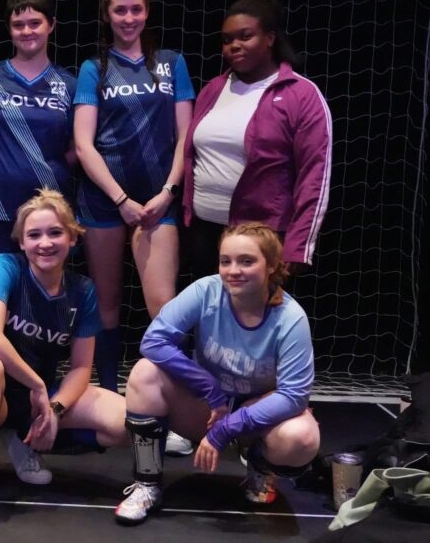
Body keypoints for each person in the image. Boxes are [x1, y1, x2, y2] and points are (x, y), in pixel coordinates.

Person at [0, 189, 127, 529]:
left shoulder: (82, 291)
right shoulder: (5, 267)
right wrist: (38, 385)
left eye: (55, 232)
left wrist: (54, 409)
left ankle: (22, 440)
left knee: (124, 421)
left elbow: (81, 368)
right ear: (22, 242)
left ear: (72, 237)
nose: (45, 243)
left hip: (32, 400)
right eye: (34, 235)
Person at [114, 222, 320, 525]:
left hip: (255, 419)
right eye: (226, 261)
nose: (233, 270)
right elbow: (154, 341)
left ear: (272, 266)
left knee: (301, 437)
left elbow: (294, 396)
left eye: (247, 261)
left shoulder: (290, 318)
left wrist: (228, 428)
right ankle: (147, 484)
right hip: (208, 409)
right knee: (144, 373)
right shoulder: (206, 291)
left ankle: (260, 471)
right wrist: (209, 389)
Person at [73, 0, 195, 401]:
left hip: (158, 202)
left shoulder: (171, 63)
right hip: (104, 202)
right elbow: (83, 145)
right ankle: (109, 395)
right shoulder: (94, 68)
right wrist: (120, 200)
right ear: (107, 16)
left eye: (136, 9)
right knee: (106, 306)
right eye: (120, 10)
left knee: (163, 308)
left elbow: (185, 137)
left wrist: (168, 192)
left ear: (147, 12)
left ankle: (170, 401)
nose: (128, 18)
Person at [183, 0, 332, 278]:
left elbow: (315, 176)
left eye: (245, 36)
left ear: (270, 38)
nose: (234, 45)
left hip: (262, 239)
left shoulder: (301, 94)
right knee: (208, 305)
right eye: (227, 40)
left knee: (257, 308)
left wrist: (299, 246)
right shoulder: (213, 89)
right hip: (205, 234)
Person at [0, 0, 76, 264]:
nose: (27, 31)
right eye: (18, 25)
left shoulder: (69, 85)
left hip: (50, 211)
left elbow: (77, 148)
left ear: (51, 25)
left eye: (35, 23)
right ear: (9, 29)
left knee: (46, 285)